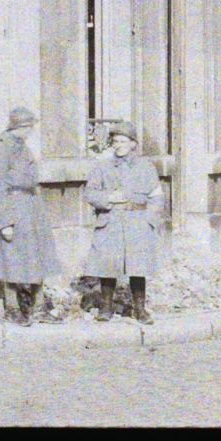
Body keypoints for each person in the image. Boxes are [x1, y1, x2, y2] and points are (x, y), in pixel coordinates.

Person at [82, 122, 162, 322]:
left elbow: (157, 196)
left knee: (138, 267)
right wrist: (108, 198)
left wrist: (149, 220)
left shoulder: (145, 167)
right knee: (107, 265)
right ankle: (106, 308)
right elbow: (89, 193)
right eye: (115, 141)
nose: (119, 145)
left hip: (137, 221)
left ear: (133, 144)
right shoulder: (102, 167)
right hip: (111, 220)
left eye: (123, 141)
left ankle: (139, 310)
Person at [0, 105, 56, 325]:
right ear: (20, 127)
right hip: (13, 206)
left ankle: (38, 306)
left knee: (35, 257)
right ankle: (12, 307)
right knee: (11, 258)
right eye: (29, 127)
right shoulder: (1, 148)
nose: (31, 131)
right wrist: (4, 221)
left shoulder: (21, 146)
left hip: (30, 207)